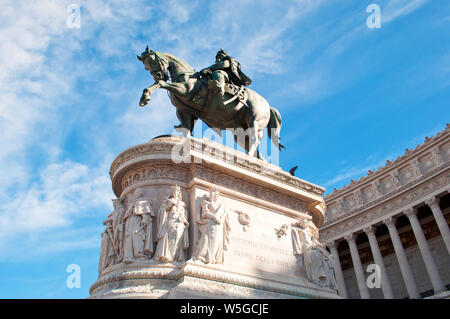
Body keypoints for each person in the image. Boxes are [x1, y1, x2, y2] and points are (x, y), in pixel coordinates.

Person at [193, 190, 231, 264]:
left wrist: (219, 219)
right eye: (214, 195)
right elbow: (205, 213)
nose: (215, 197)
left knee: (216, 242)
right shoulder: (205, 203)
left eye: (216, 195)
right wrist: (214, 217)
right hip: (210, 224)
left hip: (218, 226)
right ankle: (204, 257)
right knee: (206, 241)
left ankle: (213, 259)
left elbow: (223, 216)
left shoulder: (222, 206)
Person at [154, 186, 189, 262]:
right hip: (171, 221)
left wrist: (184, 219)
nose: (175, 193)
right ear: (171, 193)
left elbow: (185, 213)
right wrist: (169, 207)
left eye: (177, 191)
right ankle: (170, 257)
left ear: (179, 193)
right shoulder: (168, 201)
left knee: (178, 239)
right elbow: (162, 211)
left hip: (180, 223)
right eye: (173, 191)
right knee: (171, 239)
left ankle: (176, 257)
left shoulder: (182, 204)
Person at [122, 188, 155, 264]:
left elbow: (146, 215)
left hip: (137, 221)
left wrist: (145, 219)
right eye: (135, 193)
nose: (136, 194)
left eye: (138, 192)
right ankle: (129, 257)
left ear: (141, 193)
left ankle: (140, 255)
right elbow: (127, 214)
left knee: (137, 237)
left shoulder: (143, 202)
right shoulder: (133, 203)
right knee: (129, 238)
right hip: (130, 222)